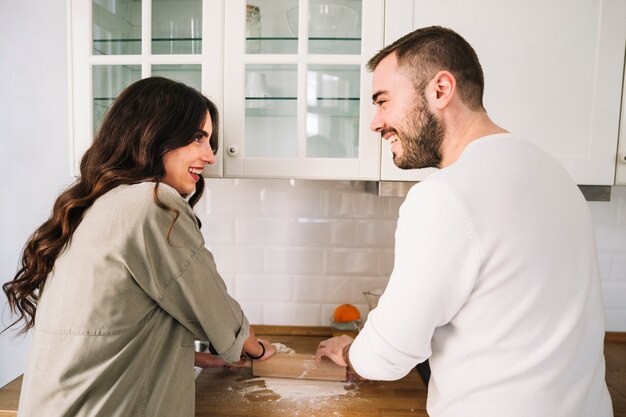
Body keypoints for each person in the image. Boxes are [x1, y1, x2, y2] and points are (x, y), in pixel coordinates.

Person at [315, 26, 613, 416]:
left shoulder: (445, 195)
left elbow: (391, 352)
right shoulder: (552, 172)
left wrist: (353, 351)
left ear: (441, 89)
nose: (375, 122)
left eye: (383, 101)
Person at [2, 77, 276, 416]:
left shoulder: (97, 202)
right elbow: (214, 311)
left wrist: (187, 355)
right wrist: (260, 350)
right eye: (197, 138)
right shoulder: (153, 204)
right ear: (154, 134)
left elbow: (110, 324)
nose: (210, 156)